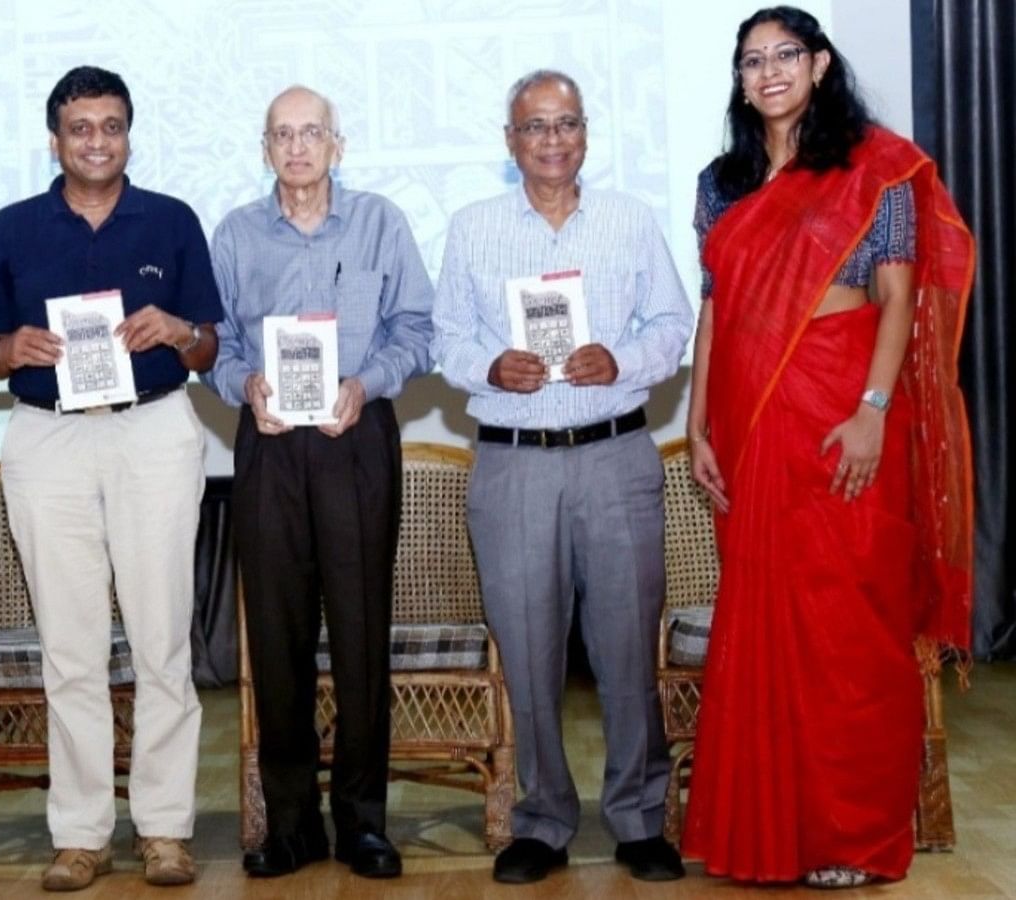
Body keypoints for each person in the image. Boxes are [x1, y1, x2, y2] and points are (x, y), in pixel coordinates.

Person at [681, 6, 975, 888]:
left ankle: (854, 836)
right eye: (751, 60)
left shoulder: (874, 169)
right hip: (747, 424)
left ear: (819, 64)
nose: (768, 72)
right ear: (739, 79)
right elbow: (714, 306)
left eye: (785, 55)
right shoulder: (721, 183)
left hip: (842, 413)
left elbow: (897, 295)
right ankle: (768, 833)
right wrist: (697, 424)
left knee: (849, 630)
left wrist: (875, 408)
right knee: (763, 624)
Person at [431, 69, 694, 886]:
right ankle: (541, 821)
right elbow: (446, 339)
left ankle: (640, 819)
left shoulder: (629, 221)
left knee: (624, 648)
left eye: (566, 123)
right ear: (510, 143)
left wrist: (625, 358)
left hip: (615, 455)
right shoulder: (473, 229)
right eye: (534, 126)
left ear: (586, 134)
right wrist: (489, 364)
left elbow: (675, 324)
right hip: (513, 465)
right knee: (532, 651)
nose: (552, 139)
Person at [0, 65, 220, 891]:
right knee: (71, 650)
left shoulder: (173, 220)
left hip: (153, 431)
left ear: (128, 133)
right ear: (55, 137)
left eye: (111, 125)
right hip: (47, 438)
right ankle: (79, 835)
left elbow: (208, 349)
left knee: (161, 642)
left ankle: (164, 831)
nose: (96, 141)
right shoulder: (10, 228)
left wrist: (181, 329)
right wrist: (9, 351)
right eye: (81, 127)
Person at [204, 85, 433, 881]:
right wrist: (244, 386)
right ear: (263, 147)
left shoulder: (381, 222)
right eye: (281, 135)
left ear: (338, 142)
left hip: (356, 438)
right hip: (270, 446)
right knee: (277, 638)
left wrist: (366, 383)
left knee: (363, 634)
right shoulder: (233, 234)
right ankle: (292, 826)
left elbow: (417, 329)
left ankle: (364, 824)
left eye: (311, 133)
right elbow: (217, 342)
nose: (297, 147)